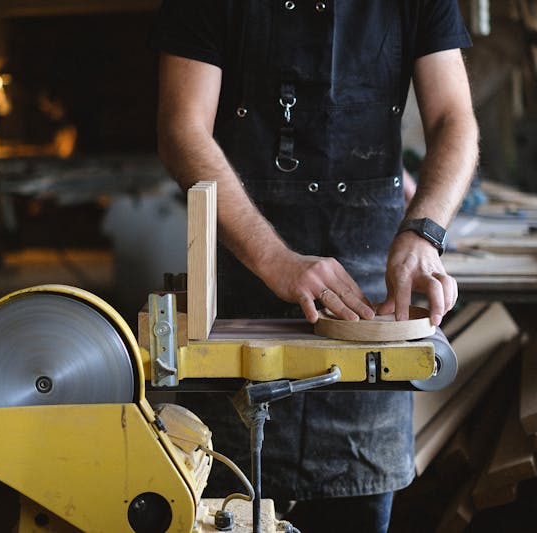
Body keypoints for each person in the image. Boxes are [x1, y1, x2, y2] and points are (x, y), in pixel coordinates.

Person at [150, 2, 478, 532]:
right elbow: (181, 129)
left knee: (358, 508)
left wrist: (424, 235)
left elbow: (454, 119)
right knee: (225, 505)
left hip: (371, 305)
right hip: (237, 297)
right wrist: (273, 259)